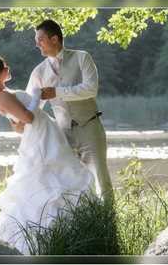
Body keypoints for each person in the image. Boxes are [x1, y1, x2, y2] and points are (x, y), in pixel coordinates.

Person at [0, 54, 94, 254]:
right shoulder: (1, 96)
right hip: (41, 137)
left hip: (43, 133)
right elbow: (28, 117)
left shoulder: (3, 94)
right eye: (4, 66)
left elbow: (19, 128)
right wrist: (37, 95)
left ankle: (60, 232)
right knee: (49, 180)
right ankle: (40, 238)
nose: (8, 67)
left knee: (56, 177)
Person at [23, 19, 113, 203]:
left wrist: (57, 92)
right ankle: (83, 222)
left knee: (102, 180)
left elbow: (90, 88)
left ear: (54, 39)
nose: (36, 43)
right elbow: (32, 107)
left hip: (90, 128)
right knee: (72, 183)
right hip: (62, 135)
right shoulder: (38, 72)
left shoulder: (82, 58)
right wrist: (18, 118)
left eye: (40, 39)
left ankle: (110, 223)